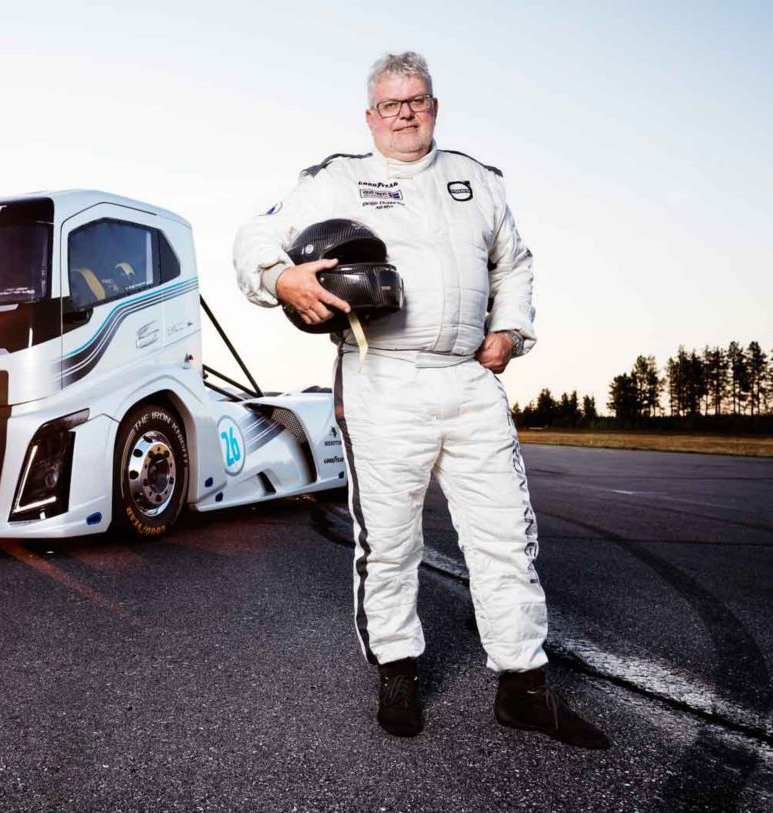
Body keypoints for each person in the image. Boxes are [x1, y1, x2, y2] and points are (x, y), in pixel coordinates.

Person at [232, 51, 609, 748]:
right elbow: (257, 235)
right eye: (391, 103)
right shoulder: (337, 178)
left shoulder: (477, 180)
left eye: (417, 100)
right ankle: (398, 670)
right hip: (384, 376)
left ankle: (524, 688)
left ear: (435, 106)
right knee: (389, 539)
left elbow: (514, 264)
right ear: (370, 115)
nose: (405, 113)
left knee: (505, 538)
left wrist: (510, 331)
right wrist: (279, 278)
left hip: (468, 379)